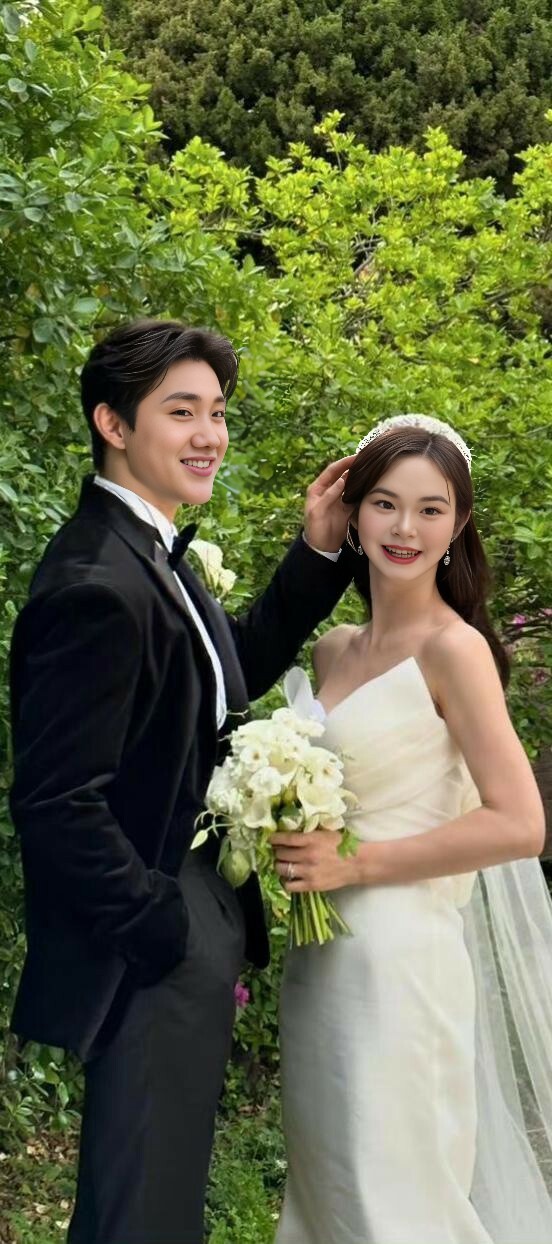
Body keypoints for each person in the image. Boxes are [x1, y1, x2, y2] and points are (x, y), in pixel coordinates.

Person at [8, 318, 356, 1244]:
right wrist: (162, 928)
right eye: (182, 412)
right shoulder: (95, 583)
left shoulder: (149, 552)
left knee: (150, 1203)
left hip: (186, 926)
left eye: (217, 412)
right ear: (113, 423)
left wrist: (318, 555)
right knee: (142, 1214)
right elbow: (56, 802)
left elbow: (225, 672)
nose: (210, 434)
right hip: (152, 942)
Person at [272, 414, 552, 1244]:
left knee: (395, 1204)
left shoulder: (454, 651)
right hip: (321, 961)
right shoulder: (333, 651)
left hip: (403, 969)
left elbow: (521, 823)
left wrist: (355, 865)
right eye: (385, 503)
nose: (405, 528)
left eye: (431, 509)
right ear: (354, 513)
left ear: (458, 525)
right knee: (329, 1200)